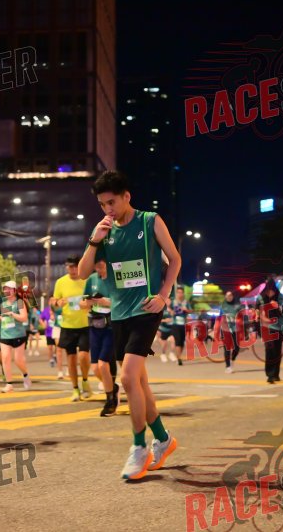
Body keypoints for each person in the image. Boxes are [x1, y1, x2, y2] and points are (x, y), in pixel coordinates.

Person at [78, 170, 180, 480]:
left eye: (111, 202)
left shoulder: (150, 221)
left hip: (147, 309)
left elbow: (174, 259)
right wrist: (94, 240)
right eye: (102, 204)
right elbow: (82, 272)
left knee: (126, 378)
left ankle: (138, 447)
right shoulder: (104, 230)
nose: (107, 209)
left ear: (126, 197)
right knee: (140, 383)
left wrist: (163, 296)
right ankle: (163, 438)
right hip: (119, 313)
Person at [81, 258, 119, 416]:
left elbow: (121, 301)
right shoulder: (91, 279)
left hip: (111, 326)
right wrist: (89, 302)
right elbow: (82, 303)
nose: (99, 270)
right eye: (96, 267)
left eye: (102, 267)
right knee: (95, 367)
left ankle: (110, 401)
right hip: (95, 326)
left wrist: (105, 302)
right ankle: (113, 388)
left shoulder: (115, 278)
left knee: (103, 364)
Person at [53, 256, 92, 402]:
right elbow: (54, 301)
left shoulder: (86, 280)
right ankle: (75, 388)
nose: (73, 270)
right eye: (70, 267)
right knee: (70, 358)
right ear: (66, 267)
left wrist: (88, 304)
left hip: (85, 324)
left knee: (83, 356)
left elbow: (93, 300)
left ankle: (85, 380)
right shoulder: (60, 282)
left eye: (75, 266)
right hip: (68, 325)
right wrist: (58, 302)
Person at [0, 281, 32, 392]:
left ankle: (25, 375)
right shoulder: (3, 304)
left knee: (18, 360)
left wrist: (12, 313)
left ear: (14, 290)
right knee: (5, 358)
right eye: (5, 289)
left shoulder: (20, 302)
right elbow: (4, 319)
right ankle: (9, 384)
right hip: (5, 334)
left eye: (9, 288)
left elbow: (24, 318)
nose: (6, 291)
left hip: (18, 334)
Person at [256, 280, 283, 382]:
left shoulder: (280, 296)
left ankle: (276, 374)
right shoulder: (260, 297)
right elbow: (257, 310)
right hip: (266, 328)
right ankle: (270, 375)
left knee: (277, 351)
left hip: (278, 327)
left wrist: (278, 306)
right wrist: (258, 316)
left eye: (272, 290)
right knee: (269, 351)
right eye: (268, 291)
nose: (270, 293)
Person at [219, 291, 243, 373]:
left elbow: (242, 316)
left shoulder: (237, 305)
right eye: (227, 295)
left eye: (230, 295)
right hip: (225, 329)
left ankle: (232, 359)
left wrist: (239, 320)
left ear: (233, 296)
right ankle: (228, 366)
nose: (229, 297)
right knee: (227, 348)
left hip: (235, 329)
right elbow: (220, 317)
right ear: (225, 297)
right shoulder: (222, 305)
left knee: (237, 348)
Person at [170, 286, 191, 365]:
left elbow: (190, 310)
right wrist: (171, 312)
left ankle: (179, 356)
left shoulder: (186, 302)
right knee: (178, 340)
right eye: (178, 292)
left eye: (181, 292)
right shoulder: (173, 302)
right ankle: (179, 359)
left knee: (182, 342)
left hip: (184, 324)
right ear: (176, 293)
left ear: (183, 293)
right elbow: (168, 309)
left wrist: (186, 310)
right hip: (175, 324)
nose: (180, 294)